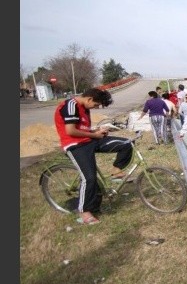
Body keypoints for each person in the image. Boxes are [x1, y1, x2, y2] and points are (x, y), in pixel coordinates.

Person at [54, 88, 133, 225]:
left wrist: (97, 131)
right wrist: (94, 135)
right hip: (75, 145)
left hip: (89, 140)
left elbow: (82, 129)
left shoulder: (85, 108)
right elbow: (70, 131)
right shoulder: (70, 105)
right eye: (96, 105)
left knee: (127, 144)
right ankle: (84, 212)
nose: (96, 107)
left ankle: (116, 171)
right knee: (89, 178)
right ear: (89, 99)